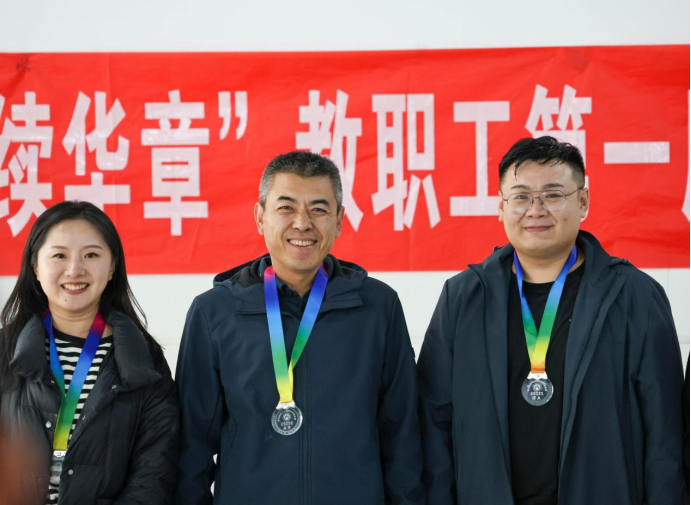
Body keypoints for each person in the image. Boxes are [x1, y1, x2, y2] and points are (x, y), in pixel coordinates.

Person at [418, 136, 686, 504]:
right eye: (521, 197)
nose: (536, 210)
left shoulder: (635, 297)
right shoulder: (463, 297)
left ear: (583, 201)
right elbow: (433, 423)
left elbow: (665, 432)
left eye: (553, 195)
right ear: (501, 206)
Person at [174, 151, 425, 504]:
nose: (302, 223)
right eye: (286, 208)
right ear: (260, 217)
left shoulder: (378, 307)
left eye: (318, 209)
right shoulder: (214, 313)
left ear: (339, 220)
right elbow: (190, 450)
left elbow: (403, 435)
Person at [0, 201, 179, 505]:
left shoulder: (143, 358)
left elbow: (155, 470)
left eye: (91, 255)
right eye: (59, 255)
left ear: (112, 267)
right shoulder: (5, 350)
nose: (74, 270)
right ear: (35, 267)